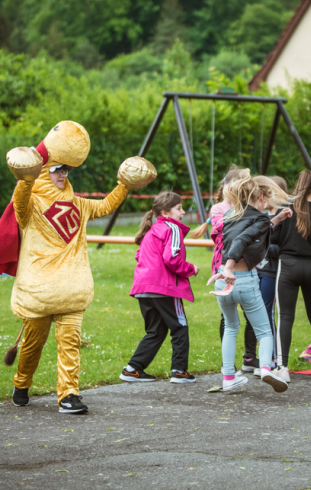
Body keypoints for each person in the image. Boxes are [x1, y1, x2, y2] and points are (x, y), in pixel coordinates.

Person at [0, 121, 154, 413]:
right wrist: (25, 179)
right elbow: (20, 199)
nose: (63, 174)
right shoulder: (31, 203)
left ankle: (68, 395)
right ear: (43, 174)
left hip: (71, 292)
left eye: (66, 170)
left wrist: (124, 185)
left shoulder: (79, 204)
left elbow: (105, 205)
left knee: (70, 344)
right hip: (39, 292)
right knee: (32, 347)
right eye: (57, 169)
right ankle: (22, 383)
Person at [214, 173, 293, 392]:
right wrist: (230, 266)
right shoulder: (258, 218)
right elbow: (243, 239)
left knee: (231, 327)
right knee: (264, 331)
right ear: (259, 196)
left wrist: (276, 220)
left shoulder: (231, 214)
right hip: (243, 279)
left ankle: (228, 378)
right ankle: (266, 368)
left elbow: (252, 230)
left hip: (222, 282)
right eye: (266, 197)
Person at [121, 192, 200, 383]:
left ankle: (132, 369)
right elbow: (171, 259)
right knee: (180, 327)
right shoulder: (172, 229)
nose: (182, 213)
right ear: (165, 212)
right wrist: (191, 268)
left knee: (156, 331)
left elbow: (139, 256)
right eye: (179, 208)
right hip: (163, 288)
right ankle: (179, 371)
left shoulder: (151, 231)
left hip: (143, 288)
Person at [190, 168, 261, 369]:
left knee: (250, 313)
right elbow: (228, 232)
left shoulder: (250, 207)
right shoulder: (219, 208)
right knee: (228, 316)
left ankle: (249, 357)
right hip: (224, 265)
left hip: (247, 264)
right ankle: (227, 362)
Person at [271, 171, 311, 382]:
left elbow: (274, 238)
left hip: (288, 266)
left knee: (286, 316)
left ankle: (282, 367)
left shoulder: (285, 209)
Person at [253, 175, 289, 373]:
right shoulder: (265, 216)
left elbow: (284, 247)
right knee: (259, 314)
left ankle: (272, 359)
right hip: (259, 270)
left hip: (271, 272)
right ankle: (264, 357)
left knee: (268, 313)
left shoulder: (285, 216)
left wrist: (264, 247)